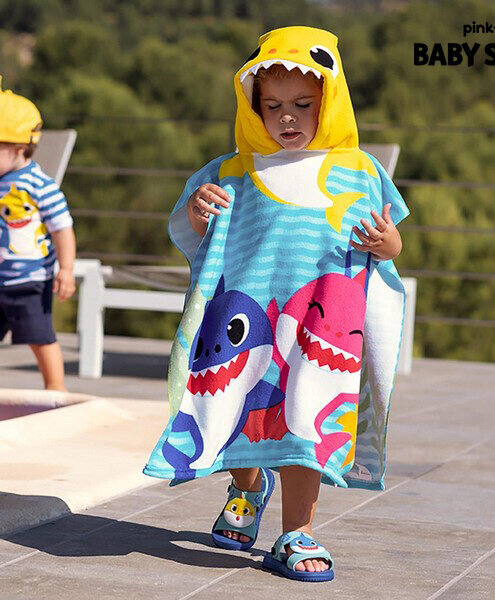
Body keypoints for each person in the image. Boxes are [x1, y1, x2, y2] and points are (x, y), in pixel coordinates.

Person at [144, 26, 409, 582]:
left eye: (303, 105)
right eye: (273, 106)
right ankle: (246, 488)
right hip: (245, 324)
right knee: (237, 412)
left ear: (329, 102)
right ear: (253, 107)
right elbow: (194, 236)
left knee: (303, 426)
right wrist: (197, 211)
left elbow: (390, 247)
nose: (287, 117)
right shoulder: (231, 172)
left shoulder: (359, 172)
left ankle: (297, 531)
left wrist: (386, 244)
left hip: (319, 331)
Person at [0, 81, 76, 391]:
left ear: (19, 148)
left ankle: (55, 388)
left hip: (28, 280)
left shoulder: (39, 185)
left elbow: (62, 227)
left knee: (40, 336)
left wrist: (66, 269)